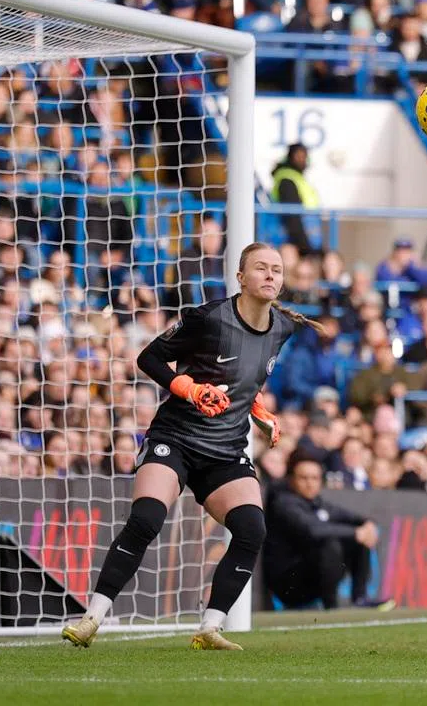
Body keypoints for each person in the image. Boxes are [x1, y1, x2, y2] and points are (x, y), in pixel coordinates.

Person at [62, 243, 323, 650]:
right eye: (261, 268)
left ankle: (209, 628)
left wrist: (262, 412)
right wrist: (189, 388)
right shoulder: (209, 318)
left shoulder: (282, 329)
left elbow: (245, 381)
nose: (271, 275)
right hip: (177, 438)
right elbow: (149, 358)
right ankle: (91, 618)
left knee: (252, 529)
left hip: (226, 449)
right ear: (241, 277)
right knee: (147, 519)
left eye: (277, 269)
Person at [263, 455, 392, 610]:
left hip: (312, 580)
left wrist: (367, 524)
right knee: (330, 544)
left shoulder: (318, 504)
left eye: (314, 478)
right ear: (292, 479)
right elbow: (314, 530)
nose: (309, 483)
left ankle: (360, 598)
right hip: (288, 584)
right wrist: (356, 532)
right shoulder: (283, 503)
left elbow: (349, 517)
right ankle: (331, 606)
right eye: (303, 478)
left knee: (359, 538)